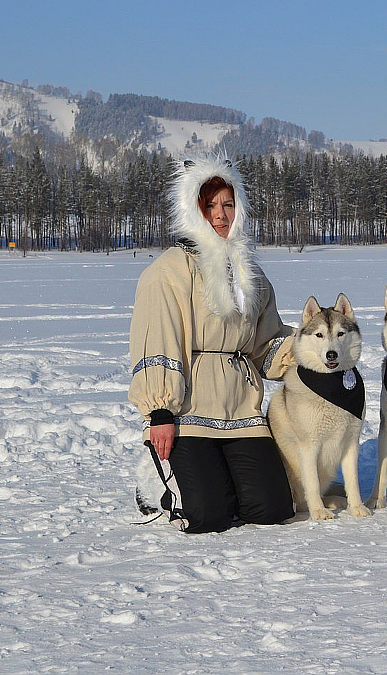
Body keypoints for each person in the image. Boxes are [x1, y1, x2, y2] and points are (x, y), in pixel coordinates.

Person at [129, 155, 295, 533]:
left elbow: (267, 343)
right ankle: (156, 484)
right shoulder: (169, 271)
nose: (220, 215)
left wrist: (315, 353)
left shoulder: (250, 275)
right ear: (192, 209)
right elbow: (159, 341)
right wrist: (160, 413)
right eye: (209, 206)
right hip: (188, 410)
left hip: (241, 407)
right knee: (207, 517)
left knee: (272, 508)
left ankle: (219, 482)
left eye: (228, 204)